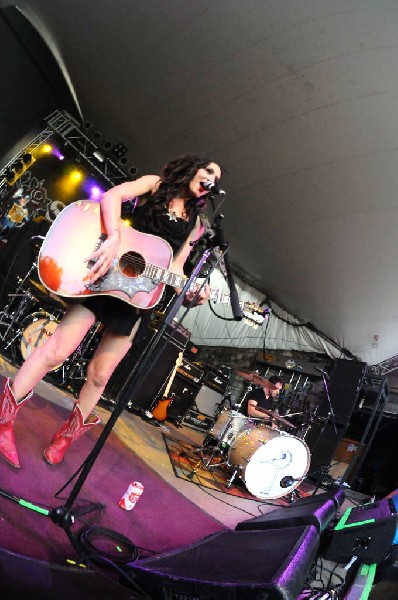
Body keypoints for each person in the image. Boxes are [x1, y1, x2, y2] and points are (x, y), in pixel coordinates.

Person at [0, 153, 222, 468]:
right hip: (106, 277)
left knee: (101, 374)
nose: (211, 182)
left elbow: (175, 268)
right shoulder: (154, 185)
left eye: (216, 181)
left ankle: (66, 436)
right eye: (209, 172)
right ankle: (4, 420)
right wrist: (116, 235)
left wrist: (191, 292)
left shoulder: (195, 225)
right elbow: (111, 196)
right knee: (57, 350)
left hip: (137, 298)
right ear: (194, 169)